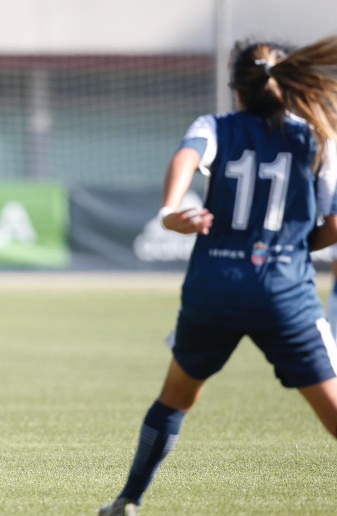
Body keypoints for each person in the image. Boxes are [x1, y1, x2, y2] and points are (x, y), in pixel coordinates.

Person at [100, 35, 337, 515]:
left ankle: (128, 500)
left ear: (237, 89)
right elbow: (332, 220)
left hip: (215, 288)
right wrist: (290, 248)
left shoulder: (214, 126)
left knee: (175, 399)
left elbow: (186, 157)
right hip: (283, 290)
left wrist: (171, 211)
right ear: (289, 85)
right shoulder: (316, 136)